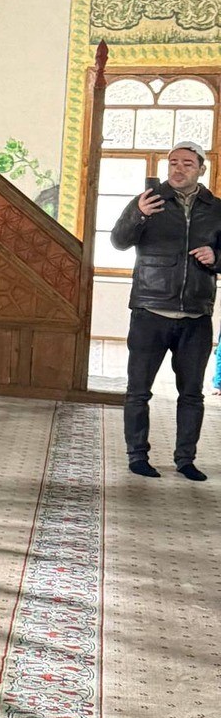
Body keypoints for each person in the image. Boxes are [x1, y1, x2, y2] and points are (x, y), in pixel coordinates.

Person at [110, 140, 221, 481]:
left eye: (187, 163)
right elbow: (118, 240)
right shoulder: (149, 201)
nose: (178, 168)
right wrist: (138, 214)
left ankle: (186, 460)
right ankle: (137, 456)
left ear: (201, 169)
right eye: (173, 162)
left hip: (196, 316)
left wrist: (217, 258)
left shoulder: (217, 209)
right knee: (138, 390)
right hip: (149, 310)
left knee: (191, 393)